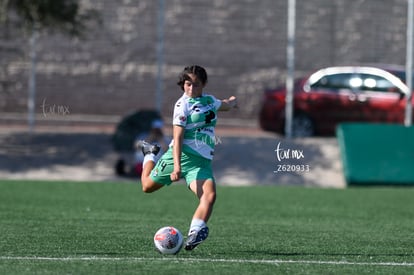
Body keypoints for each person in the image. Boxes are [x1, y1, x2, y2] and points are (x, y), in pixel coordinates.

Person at [137, 65, 238, 251]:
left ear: (204, 84)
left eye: (196, 84)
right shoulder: (182, 105)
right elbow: (178, 137)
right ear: (183, 84)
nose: (191, 89)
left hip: (201, 163)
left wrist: (232, 102)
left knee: (210, 195)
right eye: (187, 84)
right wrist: (176, 167)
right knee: (147, 187)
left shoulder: (209, 100)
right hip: (181, 157)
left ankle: (194, 234)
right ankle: (150, 154)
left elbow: (224, 105)